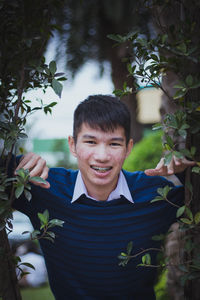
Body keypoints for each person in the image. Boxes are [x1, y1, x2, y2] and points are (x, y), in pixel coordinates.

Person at [13, 95, 195, 300]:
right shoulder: (44, 187)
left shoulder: (156, 195)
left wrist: (187, 173)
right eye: (90, 141)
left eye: (114, 144)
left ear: (128, 148)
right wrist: (18, 164)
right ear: (72, 145)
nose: (102, 155)